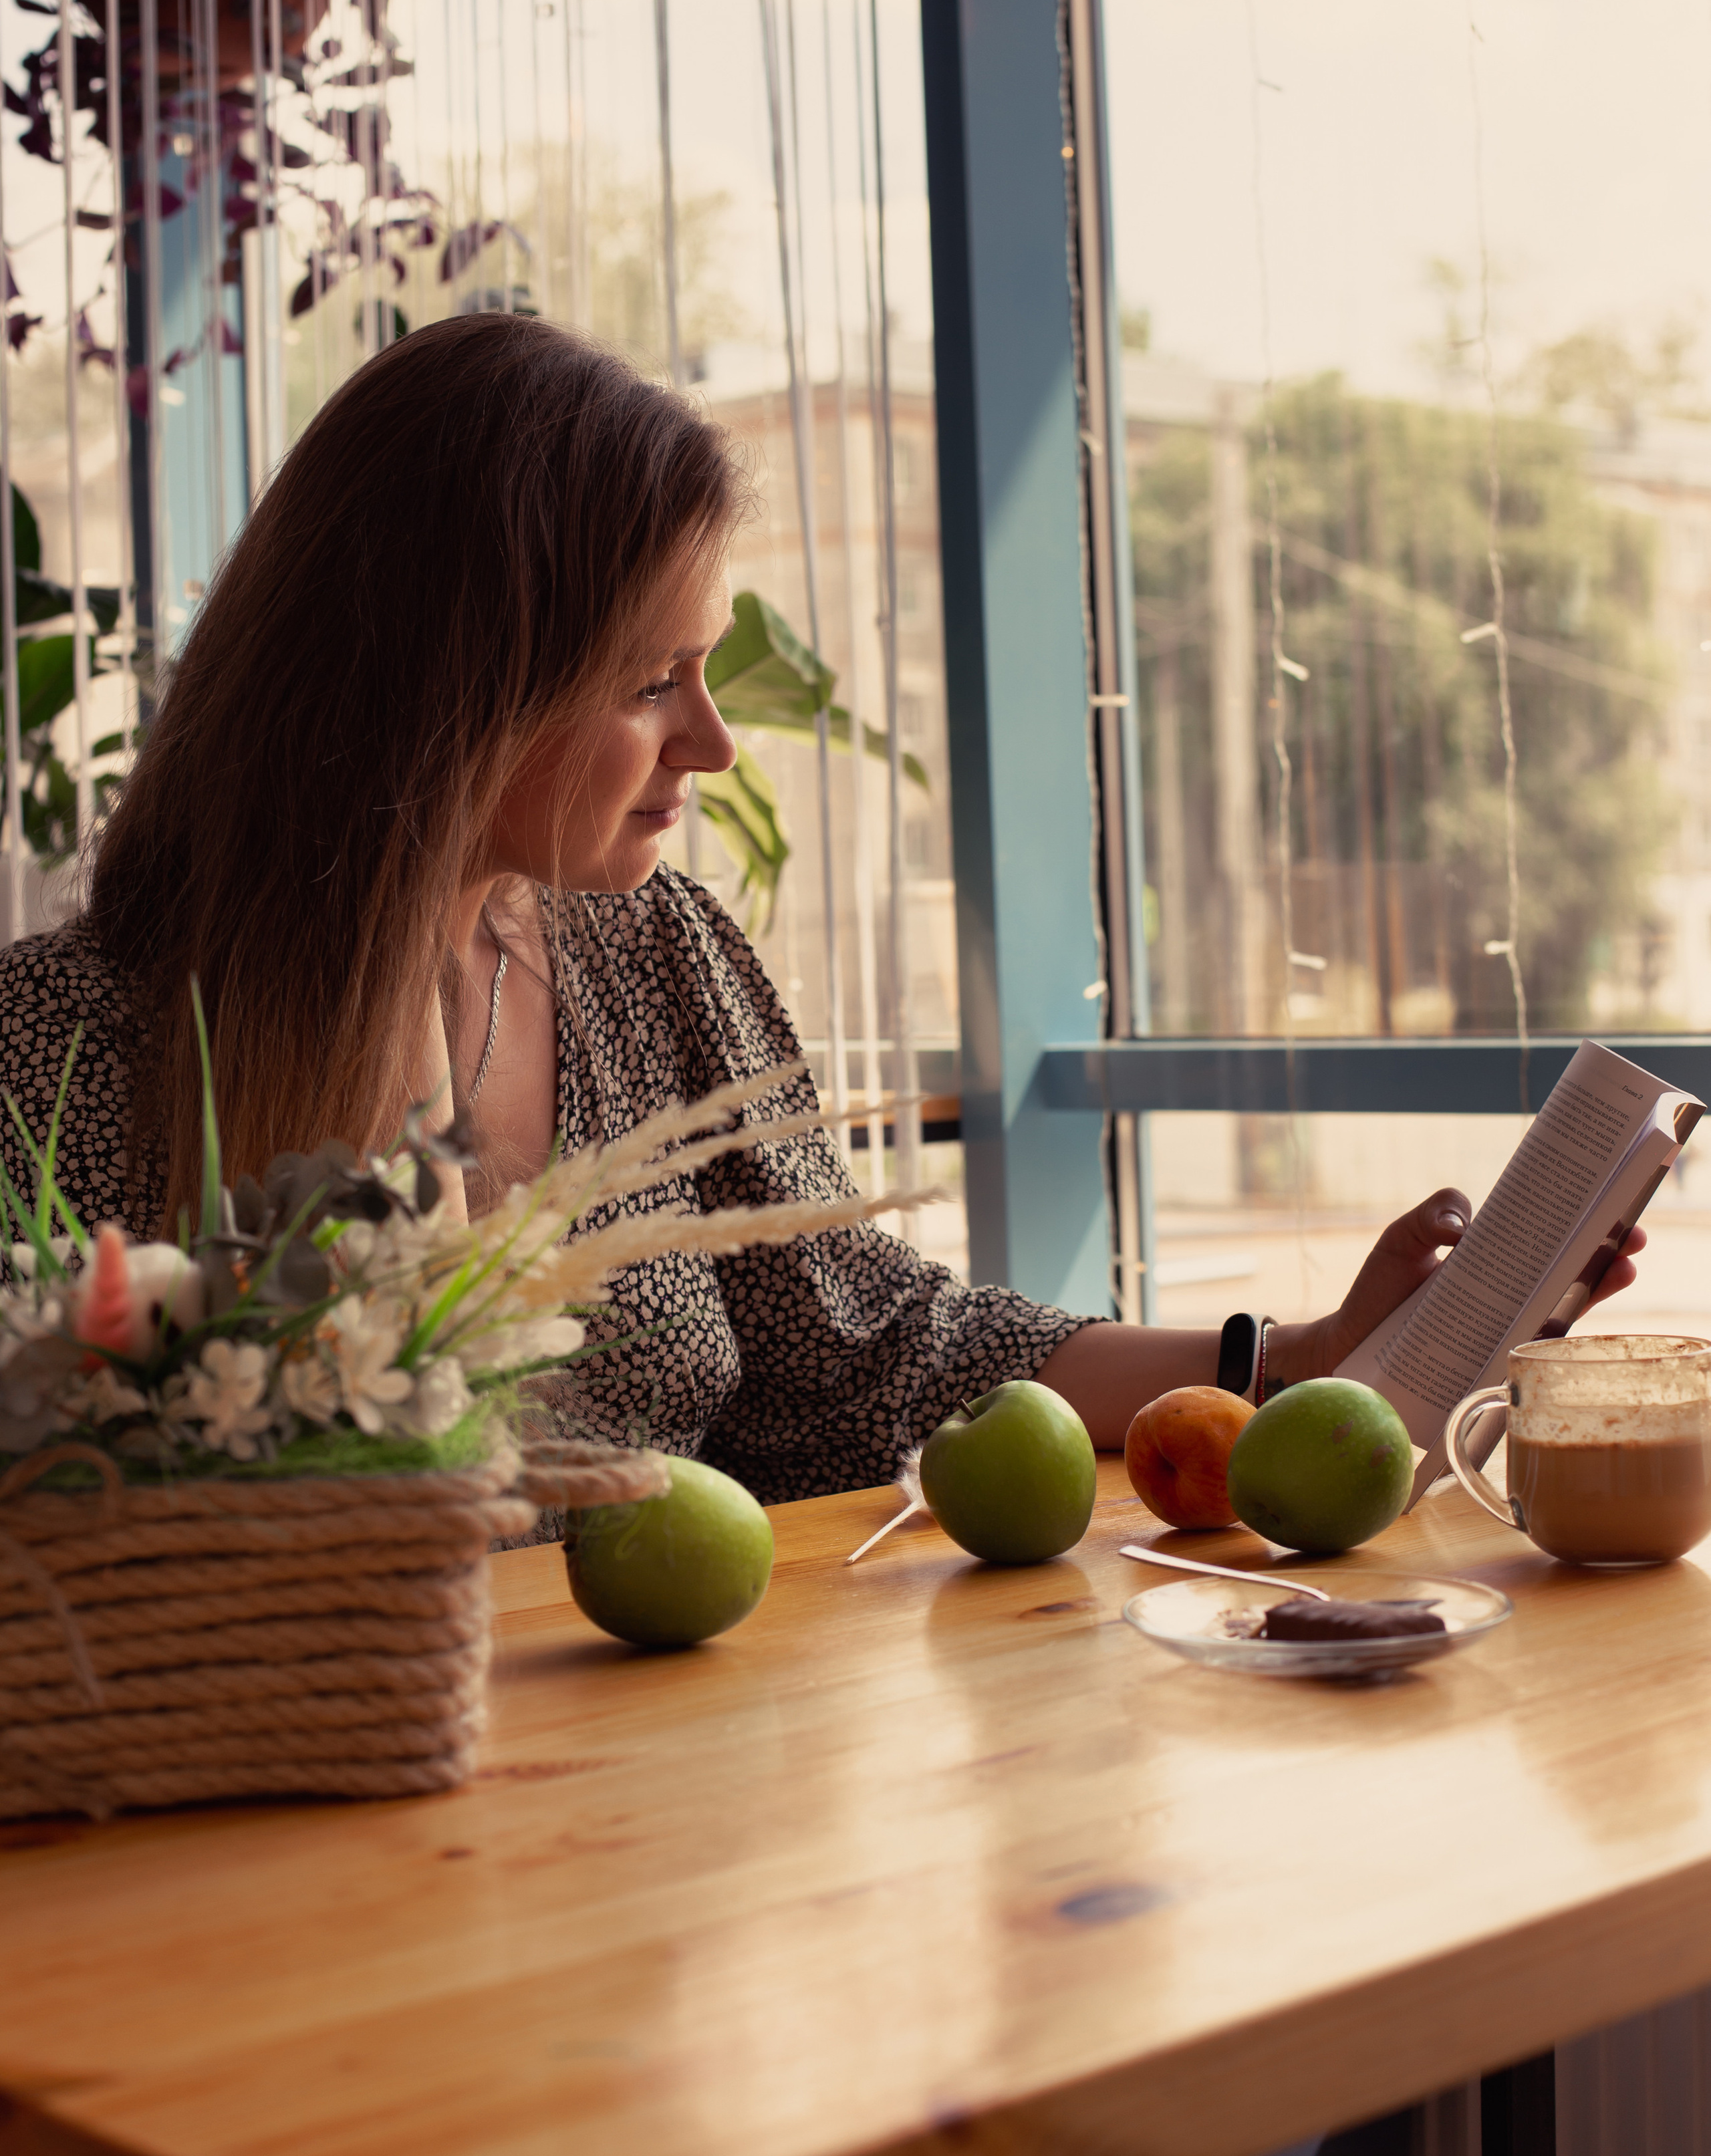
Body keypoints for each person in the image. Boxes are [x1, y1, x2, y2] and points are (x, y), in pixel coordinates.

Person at [0, 315, 1640, 1503]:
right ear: (445, 698)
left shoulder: (658, 960)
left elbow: (874, 1355)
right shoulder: (57, 1059)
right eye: (650, 683)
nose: (710, 744)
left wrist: (1293, 1351)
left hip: (665, 1830)